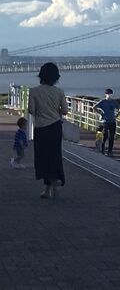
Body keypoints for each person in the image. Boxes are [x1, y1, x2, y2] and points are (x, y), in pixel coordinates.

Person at [28, 62, 68, 199]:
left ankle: (49, 186)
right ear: (56, 77)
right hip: (55, 127)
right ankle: (52, 185)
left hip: (41, 128)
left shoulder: (34, 91)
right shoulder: (60, 92)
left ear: (41, 75)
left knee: (43, 158)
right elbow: (65, 111)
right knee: (55, 156)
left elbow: (31, 110)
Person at [93, 89, 120, 156]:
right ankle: (103, 150)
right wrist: (100, 113)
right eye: (108, 93)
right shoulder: (103, 102)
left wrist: (117, 115)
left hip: (112, 121)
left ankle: (110, 151)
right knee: (105, 136)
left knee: (111, 137)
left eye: (110, 94)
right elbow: (94, 107)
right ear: (105, 94)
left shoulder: (113, 102)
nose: (109, 95)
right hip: (105, 121)